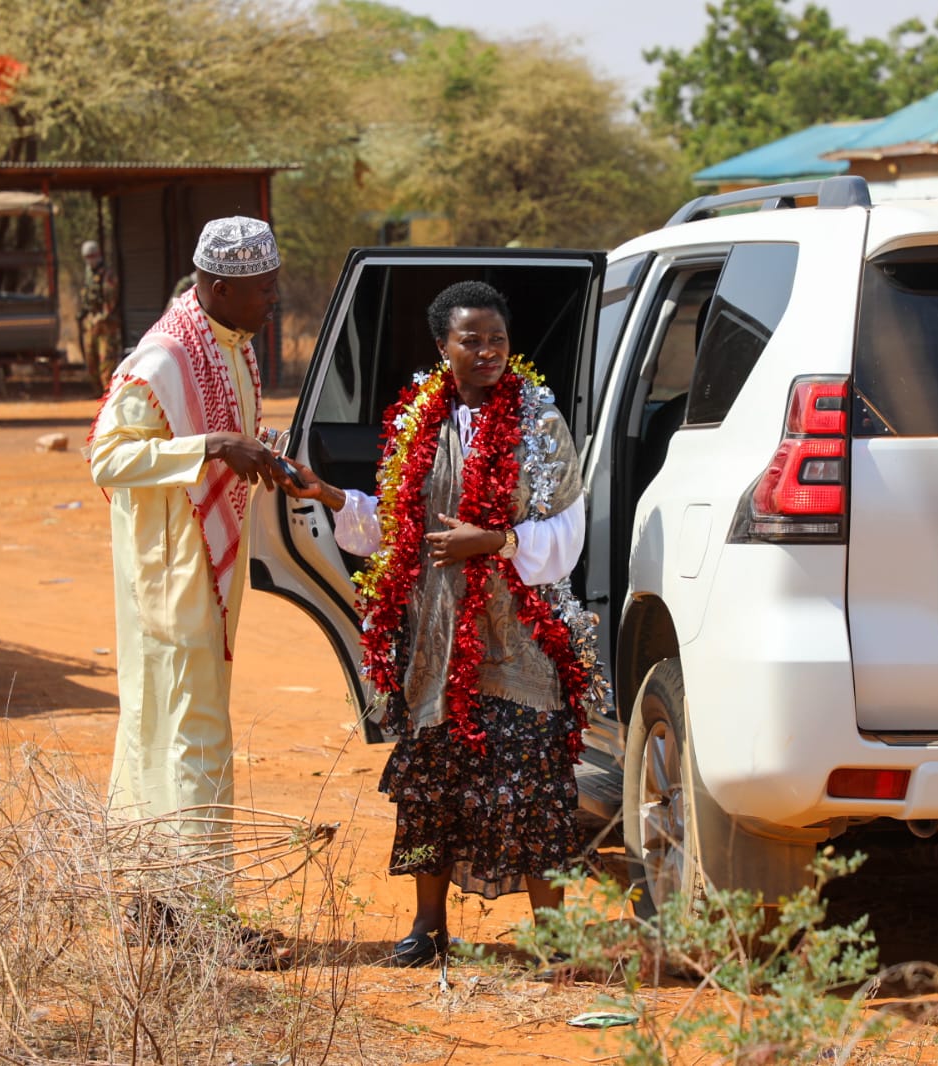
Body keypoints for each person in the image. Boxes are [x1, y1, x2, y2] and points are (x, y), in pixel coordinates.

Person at [274, 280, 609, 967]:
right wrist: (327, 493)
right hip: (433, 637)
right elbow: (397, 529)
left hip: (518, 639)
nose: (488, 352)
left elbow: (566, 536)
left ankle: (555, 939)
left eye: (498, 339)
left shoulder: (538, 424)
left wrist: (492, 542)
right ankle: (427, 929)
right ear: (442, 347)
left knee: (533, 788)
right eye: (471, 340)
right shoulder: (419, 419)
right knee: (429, 787)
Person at [86, 217, 289, 961]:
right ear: (218, 287)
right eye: (263, 288)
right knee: (192, 735)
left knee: (163, 727)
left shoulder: (227, 347)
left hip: (201, 569)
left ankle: (155, 903)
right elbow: (108, 457)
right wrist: (211, 446)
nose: (273, 300)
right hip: (172, 571)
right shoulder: (168, 356)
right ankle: (203, 920)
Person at [79, 239, 122, 391]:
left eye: (91, 256)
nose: (89, 260)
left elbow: (111, 299)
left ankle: (107, 393)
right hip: (91, 322)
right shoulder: (88, 274)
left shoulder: (107, 274)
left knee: (106, 360)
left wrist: (101, 317)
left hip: (106, 324)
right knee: (90, 357)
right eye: (87, 257)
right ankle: (97, 391)